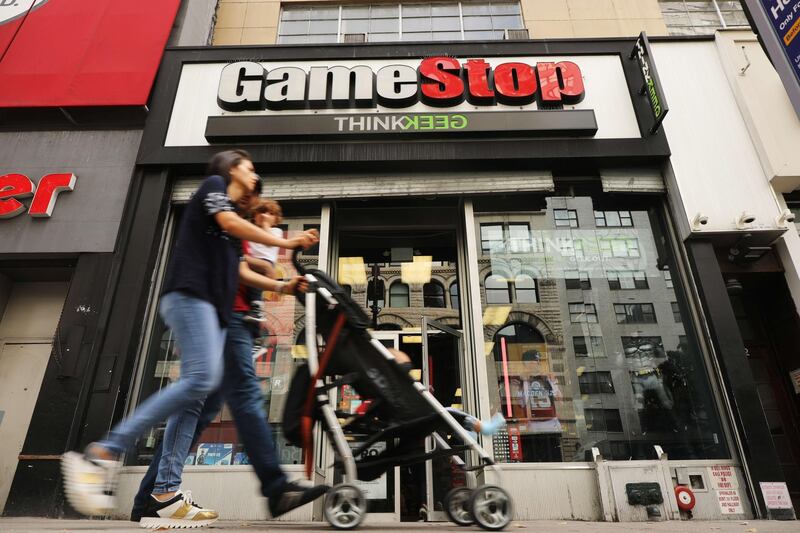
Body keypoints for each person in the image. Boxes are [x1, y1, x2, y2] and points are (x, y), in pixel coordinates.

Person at [61, 150, 318, 521]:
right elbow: (230, 223)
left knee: (201, 394)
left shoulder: (230, 232)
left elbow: (242, 273)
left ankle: (162, 494)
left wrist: (286, 284)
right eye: (248, 167)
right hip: (189, 297)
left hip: (210, 309)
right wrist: (286, 243)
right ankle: (101, 454)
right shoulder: (214, 189)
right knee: (201, 380)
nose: (254, 174)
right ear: (230, 169)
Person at [243, 199, 284, 325]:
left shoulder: (276, 232)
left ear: (276, 219)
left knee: (256, 287)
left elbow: (268, 241)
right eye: (261, 212)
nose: (265, 215)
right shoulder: (249, 229)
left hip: (265, 262)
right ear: (254, 215)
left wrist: (266, 224)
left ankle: (257, 307)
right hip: (249, 261)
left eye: (270, 214)